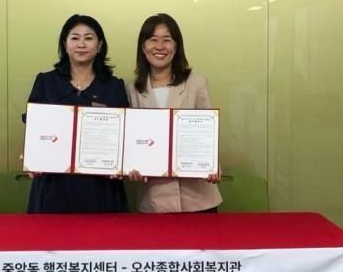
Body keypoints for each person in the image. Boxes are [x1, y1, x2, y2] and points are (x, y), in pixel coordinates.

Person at [24, 14, 129, 213]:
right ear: (65, 44)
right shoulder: (45, 82)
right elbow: (33, 128)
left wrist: (123, 162)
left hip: (101, 188)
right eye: (75, 38)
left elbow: (124, 134)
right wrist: (31, 155)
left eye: (89, 38)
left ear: (99, 46)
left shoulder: (113, 86)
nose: (81, 44)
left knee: (102, 233)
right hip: (53, 185)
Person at [126, 13, 222, 213]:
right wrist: (130, 165)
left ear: (177, 46)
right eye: (153, 40)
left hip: (198, 198)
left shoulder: (196, 83)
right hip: (155, 201)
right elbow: (131, 139)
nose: (159, 46)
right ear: (143, 47)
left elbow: (207, 133)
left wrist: (212, 164)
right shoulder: (131, 89)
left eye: (167, 40)